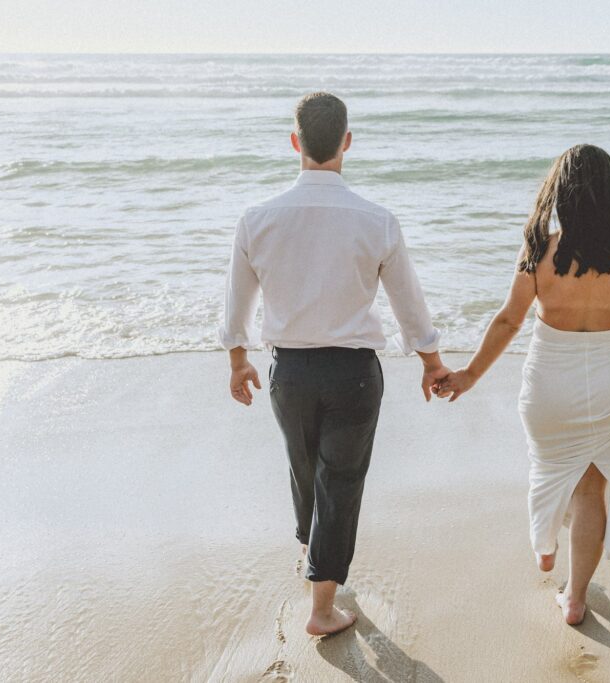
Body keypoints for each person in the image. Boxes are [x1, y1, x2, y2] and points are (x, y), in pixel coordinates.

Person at [218, 92, 449, 637]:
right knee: (339, 481)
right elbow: (408, 303)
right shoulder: (376, 220)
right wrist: (431, 361)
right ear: (346, 142)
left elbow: (236, 303)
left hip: (289, 374)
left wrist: (237, 360)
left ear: (296, 142)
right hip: (353, 375)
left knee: (305, 469)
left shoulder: (258, 219)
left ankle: (313, 558)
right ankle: (322, 607)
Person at [436, 144, 610, 626]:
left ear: (560, 195)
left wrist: (469, 375)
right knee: (591, 489)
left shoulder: (540, 249)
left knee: (546, 468)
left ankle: (545, 549)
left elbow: (508, 320)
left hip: (549, 385)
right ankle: (575, 599)